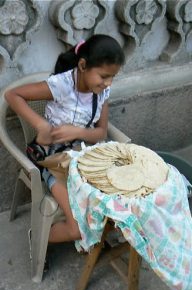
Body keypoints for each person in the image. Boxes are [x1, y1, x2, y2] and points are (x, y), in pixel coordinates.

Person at [5, 34, 125, 244]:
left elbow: (101, 133)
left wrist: (77, 132)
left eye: (112, 77)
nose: (108, 83)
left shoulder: (102, 92)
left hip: (83, 154)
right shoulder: (62, 85)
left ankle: (101, 233)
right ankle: (40, 239)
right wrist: (41, 125)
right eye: (104, 76)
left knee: (120, 200)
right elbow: (12, 95)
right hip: (53, 160)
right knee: (78, 228)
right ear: (83, 65)